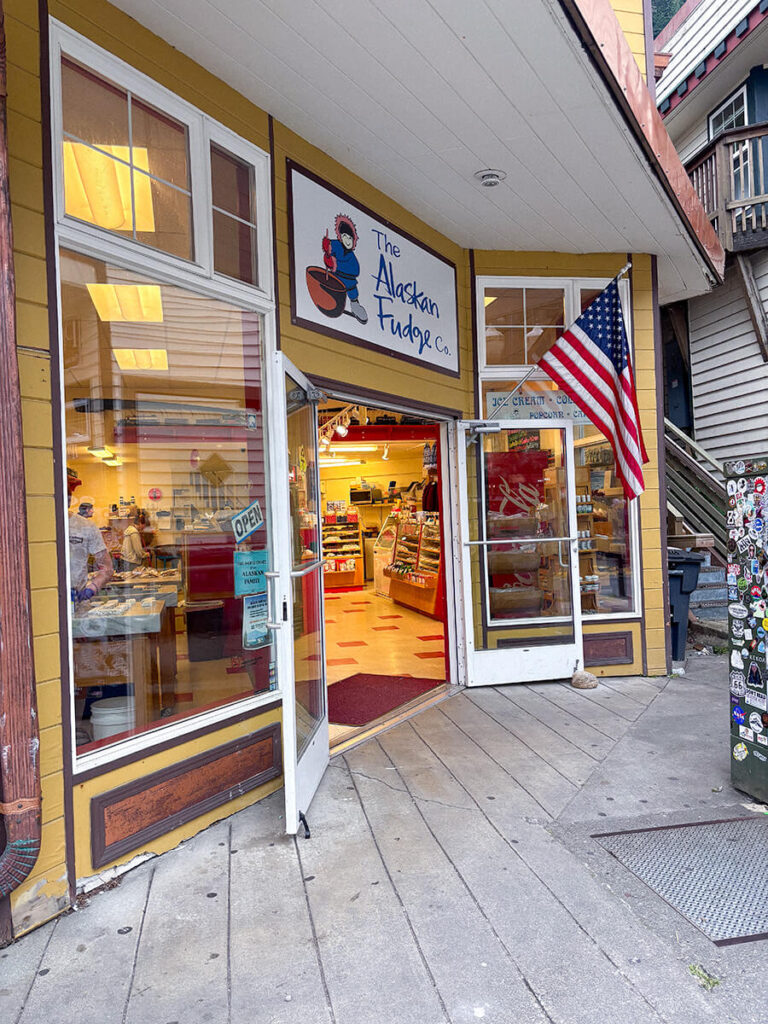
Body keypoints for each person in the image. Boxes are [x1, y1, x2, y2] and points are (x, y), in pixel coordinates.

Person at [321, 215, 368, 323]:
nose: (347, 240)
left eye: (350, 238)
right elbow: (329, 249)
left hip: (348, 278)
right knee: (332, 287)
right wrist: (327, 249)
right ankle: (330, 301)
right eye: (344, 236)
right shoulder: (337, 245)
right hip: (335, 275)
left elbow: (356, 270)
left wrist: (335, 263)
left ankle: (355, 305)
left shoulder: (351, 256)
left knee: (352, 290)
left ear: (353, 239)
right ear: (340, 236)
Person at [68, 494, 113, 602]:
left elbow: (107, 568)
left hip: (77, 599)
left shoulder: (87, 526)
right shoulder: (36, 524)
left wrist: (91, 589)